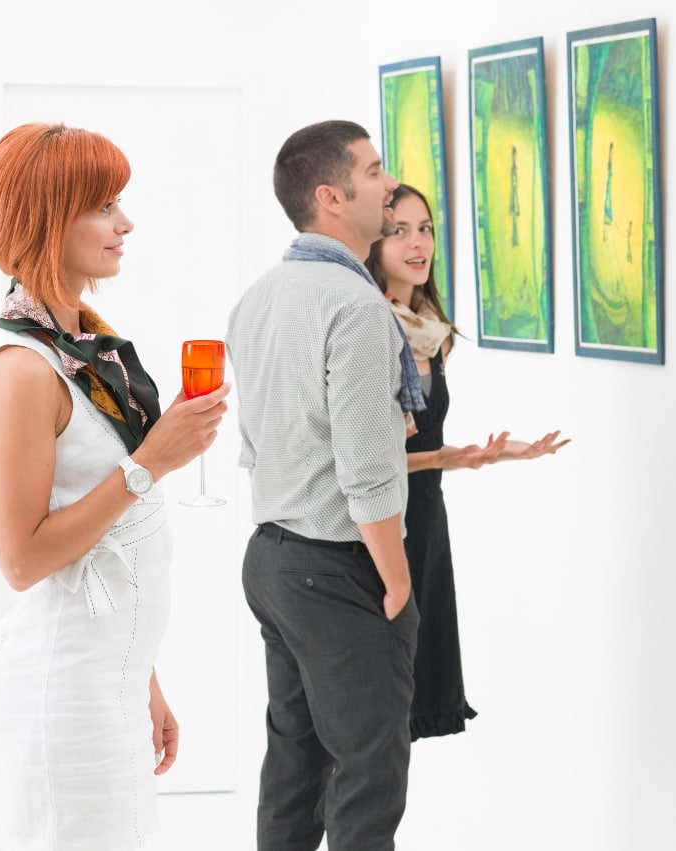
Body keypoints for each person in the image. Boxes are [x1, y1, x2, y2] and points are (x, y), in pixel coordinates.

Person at [0, 122, 229, 850]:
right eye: (105, 206)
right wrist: (149, 463)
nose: (125, 223)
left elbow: (109, 546)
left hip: (106, 684)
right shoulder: (23, 369)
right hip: (65, 699)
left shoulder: (80, 345)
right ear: (47, 221)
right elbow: (22, 559)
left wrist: (143, 678)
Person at [226, 119, 418, 851]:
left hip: (272, 558)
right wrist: (396, 582)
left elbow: (259, 443)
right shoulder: (357, 306)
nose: (389, 183)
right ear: (332, 197)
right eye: (373, 171)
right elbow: (365, 471)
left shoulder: (259, 296)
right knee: (369, 774)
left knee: (295, 763)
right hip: (338, 567)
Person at [364, 183, 570, 741]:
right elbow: (366, 461)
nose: (417, 244)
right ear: (373, 242)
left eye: (425, 229)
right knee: (375, 708)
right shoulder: (369, 327)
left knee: (408, 707)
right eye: (399, 231)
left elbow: (421, 448)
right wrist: (442, 457)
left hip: (425, 519)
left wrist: (494, 454)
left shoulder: (431, 333)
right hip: (380, 525)